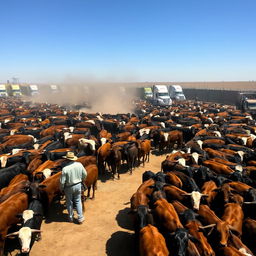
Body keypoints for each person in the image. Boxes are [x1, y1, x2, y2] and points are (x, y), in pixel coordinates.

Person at [60, 151, 87, 224]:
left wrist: (61, 188)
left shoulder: (65, 169)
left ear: (67, 159)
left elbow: (62, 182)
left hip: (68, 187)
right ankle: (80, 218)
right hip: (78, 185)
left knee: (69, 202)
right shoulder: (79, 164)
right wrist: (81, 180)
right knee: (78, 201)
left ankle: (71, 217)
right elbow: (85, 174)